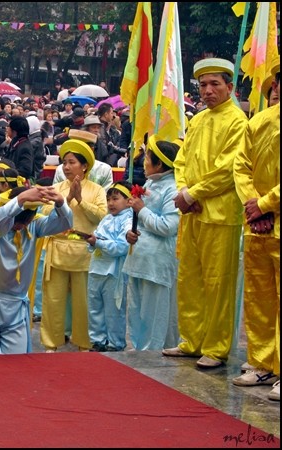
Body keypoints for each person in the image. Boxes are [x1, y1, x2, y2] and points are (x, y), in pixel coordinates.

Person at [163, 58, 248, 370]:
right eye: (203, 85)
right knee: (190, 279)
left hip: (220, 213)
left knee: (218, 282)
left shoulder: (238, 122)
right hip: (192, 212)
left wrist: (192, 194)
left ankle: (216, 346)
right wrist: (185, 190)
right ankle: (192, 341)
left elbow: (229, 169)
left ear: (230, 87)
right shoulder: (197, 120)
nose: (208, 90)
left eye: (215, 84)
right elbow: (181, 160)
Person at [0, 185, 73, 355]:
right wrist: (21, 199)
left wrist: (60, 202)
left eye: (26, 221)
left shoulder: (33, 225)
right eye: (18, 222)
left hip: (17, 306)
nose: (21, 226)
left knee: (16, 363)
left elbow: (65, 223)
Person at [231, 60, 280, 401]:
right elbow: (241, 165)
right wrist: (253, 203)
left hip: (266, 214)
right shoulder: (259, 122)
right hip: (259, 226)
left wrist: (265, 203)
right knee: (259, 297)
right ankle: (261, 363)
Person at [40, 139, 108, 352]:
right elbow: (44, 215)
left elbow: (101, 216)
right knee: (53, 300)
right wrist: (67, 198)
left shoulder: (97, 190)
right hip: (57, 249)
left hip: (83, 252)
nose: (66, 167)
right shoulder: (56, 188)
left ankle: (83, 343)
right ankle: (51, 343)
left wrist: (81, 200)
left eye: (71, 162)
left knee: (83, 302)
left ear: (84, 165)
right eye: (64, 163)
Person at [123, 137, 181, 351]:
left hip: (158, 261)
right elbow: (140, 221)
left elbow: (168, 226)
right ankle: (139, 349)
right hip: (139, 259)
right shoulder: (150, 184)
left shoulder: (173, 188)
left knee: (155, 312)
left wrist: (142, 210)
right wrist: (130, 232)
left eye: (147, 158)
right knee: (138, 310)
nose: (143, 162)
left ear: (159, 164)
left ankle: (154, 353)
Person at [86, 181, 133, 352]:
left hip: (114, 271)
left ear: (128, 201)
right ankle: (98, 340)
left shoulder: (128, 220)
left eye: (115, 198)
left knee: (114, 310)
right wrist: (91, 241)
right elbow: (95, 242)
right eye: (108, 199)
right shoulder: (106, 218)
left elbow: (122, 247)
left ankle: (115, 343)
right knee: (94, 307)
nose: (111, 203)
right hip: (96, 268)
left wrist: (98, 242)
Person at [3, 116, 34, 180]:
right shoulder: (15, 142)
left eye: (8, 126)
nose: (6, 128)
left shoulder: (24, 147)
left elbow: (26, 170)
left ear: (14, 131)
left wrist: (6, 173)